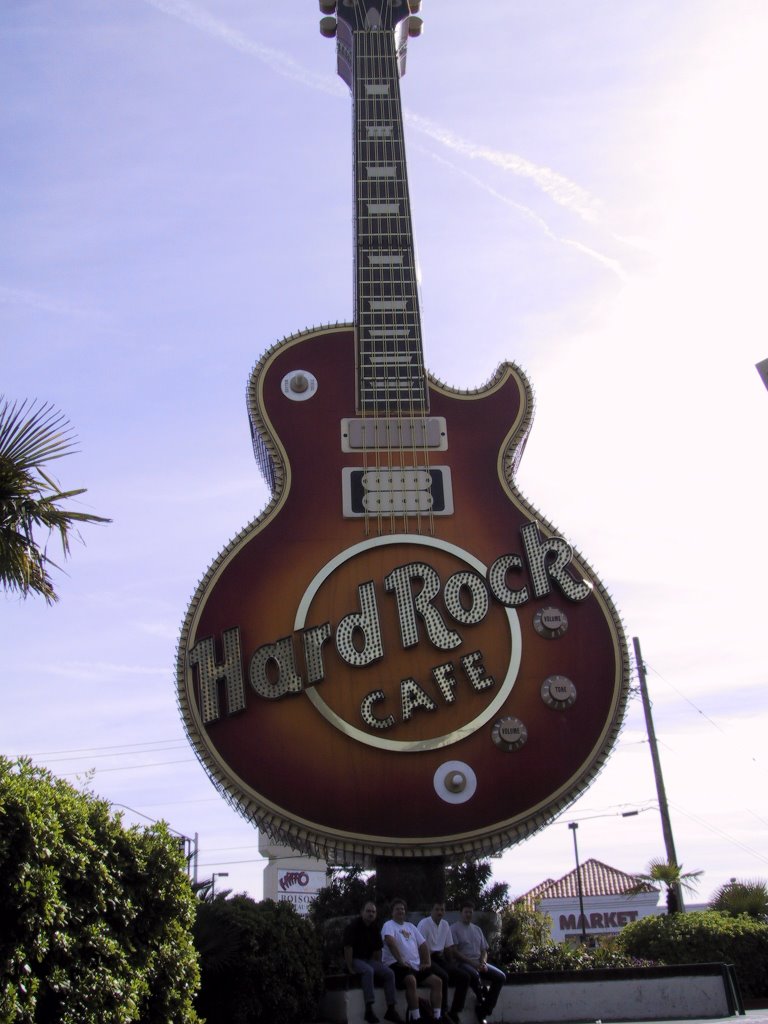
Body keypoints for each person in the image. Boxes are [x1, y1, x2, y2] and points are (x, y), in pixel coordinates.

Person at [381, 898, 443, 1022]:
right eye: (397, 909)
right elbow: (390, 942)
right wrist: (400, 961)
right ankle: (416, 1018)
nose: (400, 911)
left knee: (437, 981)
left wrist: (427, 962)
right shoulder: (388, 925)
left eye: (402, 909)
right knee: (411, 980)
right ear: (392, 912)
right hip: (396, 965)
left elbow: (423, 945)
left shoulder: (410, 926)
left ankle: (437, 1017)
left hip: (415, 966)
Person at [344, 902, 404, 1024]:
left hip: (369, 960)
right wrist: (349, 967)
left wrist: (379, 967)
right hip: (356, 959)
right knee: (368, 971)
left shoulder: (375, 927)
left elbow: (377, 950)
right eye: (368, 911)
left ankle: (391, 1009)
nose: (371, 914)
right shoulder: (353, 926)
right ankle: (369, 1010)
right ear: (362, 912)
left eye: (373, 912)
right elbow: (348, 948)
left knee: (389, 973)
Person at [449, 901, 506, 1024]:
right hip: (463, 963)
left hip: (479, 963)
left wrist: (483, 962)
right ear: (461, 913)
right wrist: (472, 963)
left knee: (500, 977)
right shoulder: (453, 929)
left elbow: (484, 949)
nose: (468, 914)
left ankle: (484, 1010)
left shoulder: (477, 929)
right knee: (473, 975)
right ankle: (481, 998)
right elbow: (454, 952)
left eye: (470, 912)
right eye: (466, 912)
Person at [416, 902, 462, 1024]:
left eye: (442, 910)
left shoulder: (445, 924)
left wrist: (451, 963)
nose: (439, 912)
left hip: (440, 957)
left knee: (464, 976)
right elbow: (420, 946)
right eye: (437, 909)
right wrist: (425, 961)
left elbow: (448, 947)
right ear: (432, 910)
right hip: (427, 957)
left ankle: (455, 1011)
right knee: (443, 976)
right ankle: (442, 1012)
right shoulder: (424, 924)